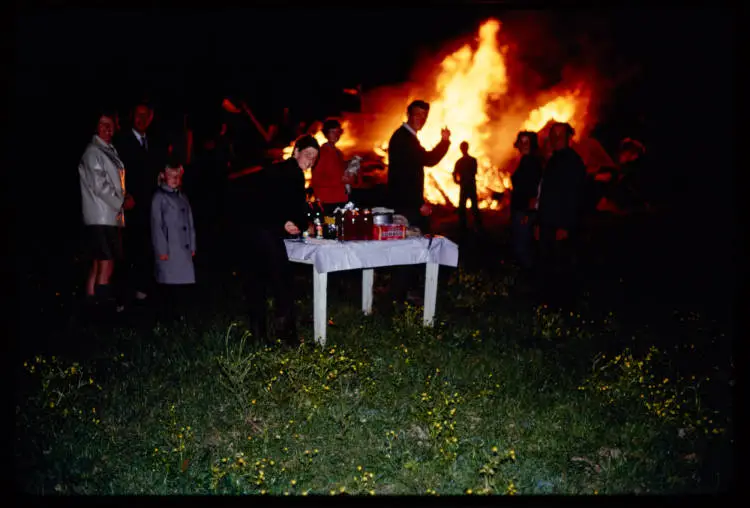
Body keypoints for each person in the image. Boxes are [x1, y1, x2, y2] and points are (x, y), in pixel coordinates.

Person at [239, 135, 320, 346]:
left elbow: (272, 200)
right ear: (296, 152)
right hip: (262, 231)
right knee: (282, 282)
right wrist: (295, 223)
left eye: (314, 158)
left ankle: (259, 337)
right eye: (308, 154)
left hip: (250, 230)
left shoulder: (279, 170)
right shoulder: (292, 172)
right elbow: (290, 204)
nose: (310, 160)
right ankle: (288, 336)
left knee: (257, 284)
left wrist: (286, 221)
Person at [386, 99, 451, 305]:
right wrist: (445, 141)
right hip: (406, 206)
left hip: (406, 204)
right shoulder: (404, 139)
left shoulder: (407, 138)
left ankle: (405, 294)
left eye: (424, 115)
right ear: (408, 114)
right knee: (409, 250)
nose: (421, 119)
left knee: (410, 249)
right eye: (417, 114)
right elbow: (422, 164)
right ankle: (399, 298)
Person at [114, 100, 168, 304]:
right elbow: (115, 172)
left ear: (151, 117)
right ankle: (122, 298)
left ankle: (143, 292)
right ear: (132, 116)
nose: (142, 119)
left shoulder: (154, 143)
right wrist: (124, 195)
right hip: (129, 206)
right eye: (139, 114)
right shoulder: (121, 142)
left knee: (147, 248)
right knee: (128, 250)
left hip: (151, 206)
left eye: (146, 115)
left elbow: (158, 172)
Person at [78, 110, 131, 312]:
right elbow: (100, 185)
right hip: (102, 216)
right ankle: (102, 310)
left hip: (104, 215)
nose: (108, 129)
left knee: (98, 263)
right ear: (95, 126)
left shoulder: (106, 149)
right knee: (106, 263)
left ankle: (91, 308)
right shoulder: (94, 152)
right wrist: (121, 202)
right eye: (103, 124)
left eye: (111, 124)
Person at [535, 122, 587, 308]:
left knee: (561, 266)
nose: (556, 139)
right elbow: (547, 194)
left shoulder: (572, 161)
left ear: (569, 137)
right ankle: (550, 304)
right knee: (548, 265)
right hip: (548, 223)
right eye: (553, 135)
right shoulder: (554, 160)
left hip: (560, 225)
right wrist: (540, 223)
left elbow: (574, 196)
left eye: (560, 134)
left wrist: (565, 226)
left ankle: (564, 307)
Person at [150, 161, 197, 323]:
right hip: (169, 249)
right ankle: (167, 318)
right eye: (171, 176)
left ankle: (181, 316)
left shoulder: (182, 197)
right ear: (163, 176)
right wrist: (161, 250)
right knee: (169, 286)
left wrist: (192, 244)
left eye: (178, 176)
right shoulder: (159, 197)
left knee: (182, 286)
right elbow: (156, 225)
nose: (175, 179)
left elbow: (190, 223)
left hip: (182, 250)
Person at [510, 131, 543, 272]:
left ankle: (530, 279)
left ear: (532, 144)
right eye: (521, 142)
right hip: (520, 209)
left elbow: (533, 189)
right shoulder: (525, 160)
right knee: (521, 244)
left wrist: (528, 213)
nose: (523, 145)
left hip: (524, 211)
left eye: (527, 142)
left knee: (522, 247)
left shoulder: (532, 161)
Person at [311, 119, 350, 215]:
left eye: (338, 132)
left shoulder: (338, 153)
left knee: (338, 226)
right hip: (327, 203)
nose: (336, 135)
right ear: (326, 134)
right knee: (329, 225)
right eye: (332, 132)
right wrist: (340, 180)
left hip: (340, 200)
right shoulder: (321, 153)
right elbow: (316, 180)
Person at [452, 141, 482, 233]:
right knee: (473, 207)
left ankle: (464, 227)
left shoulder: (460, 161)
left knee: (464, 207)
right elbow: (474, 171)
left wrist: (457, 181)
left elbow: (454, 173)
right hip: (470, 185)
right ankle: (475, 226)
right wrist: (457, 180)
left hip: (465, 186)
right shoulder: (472, 160)